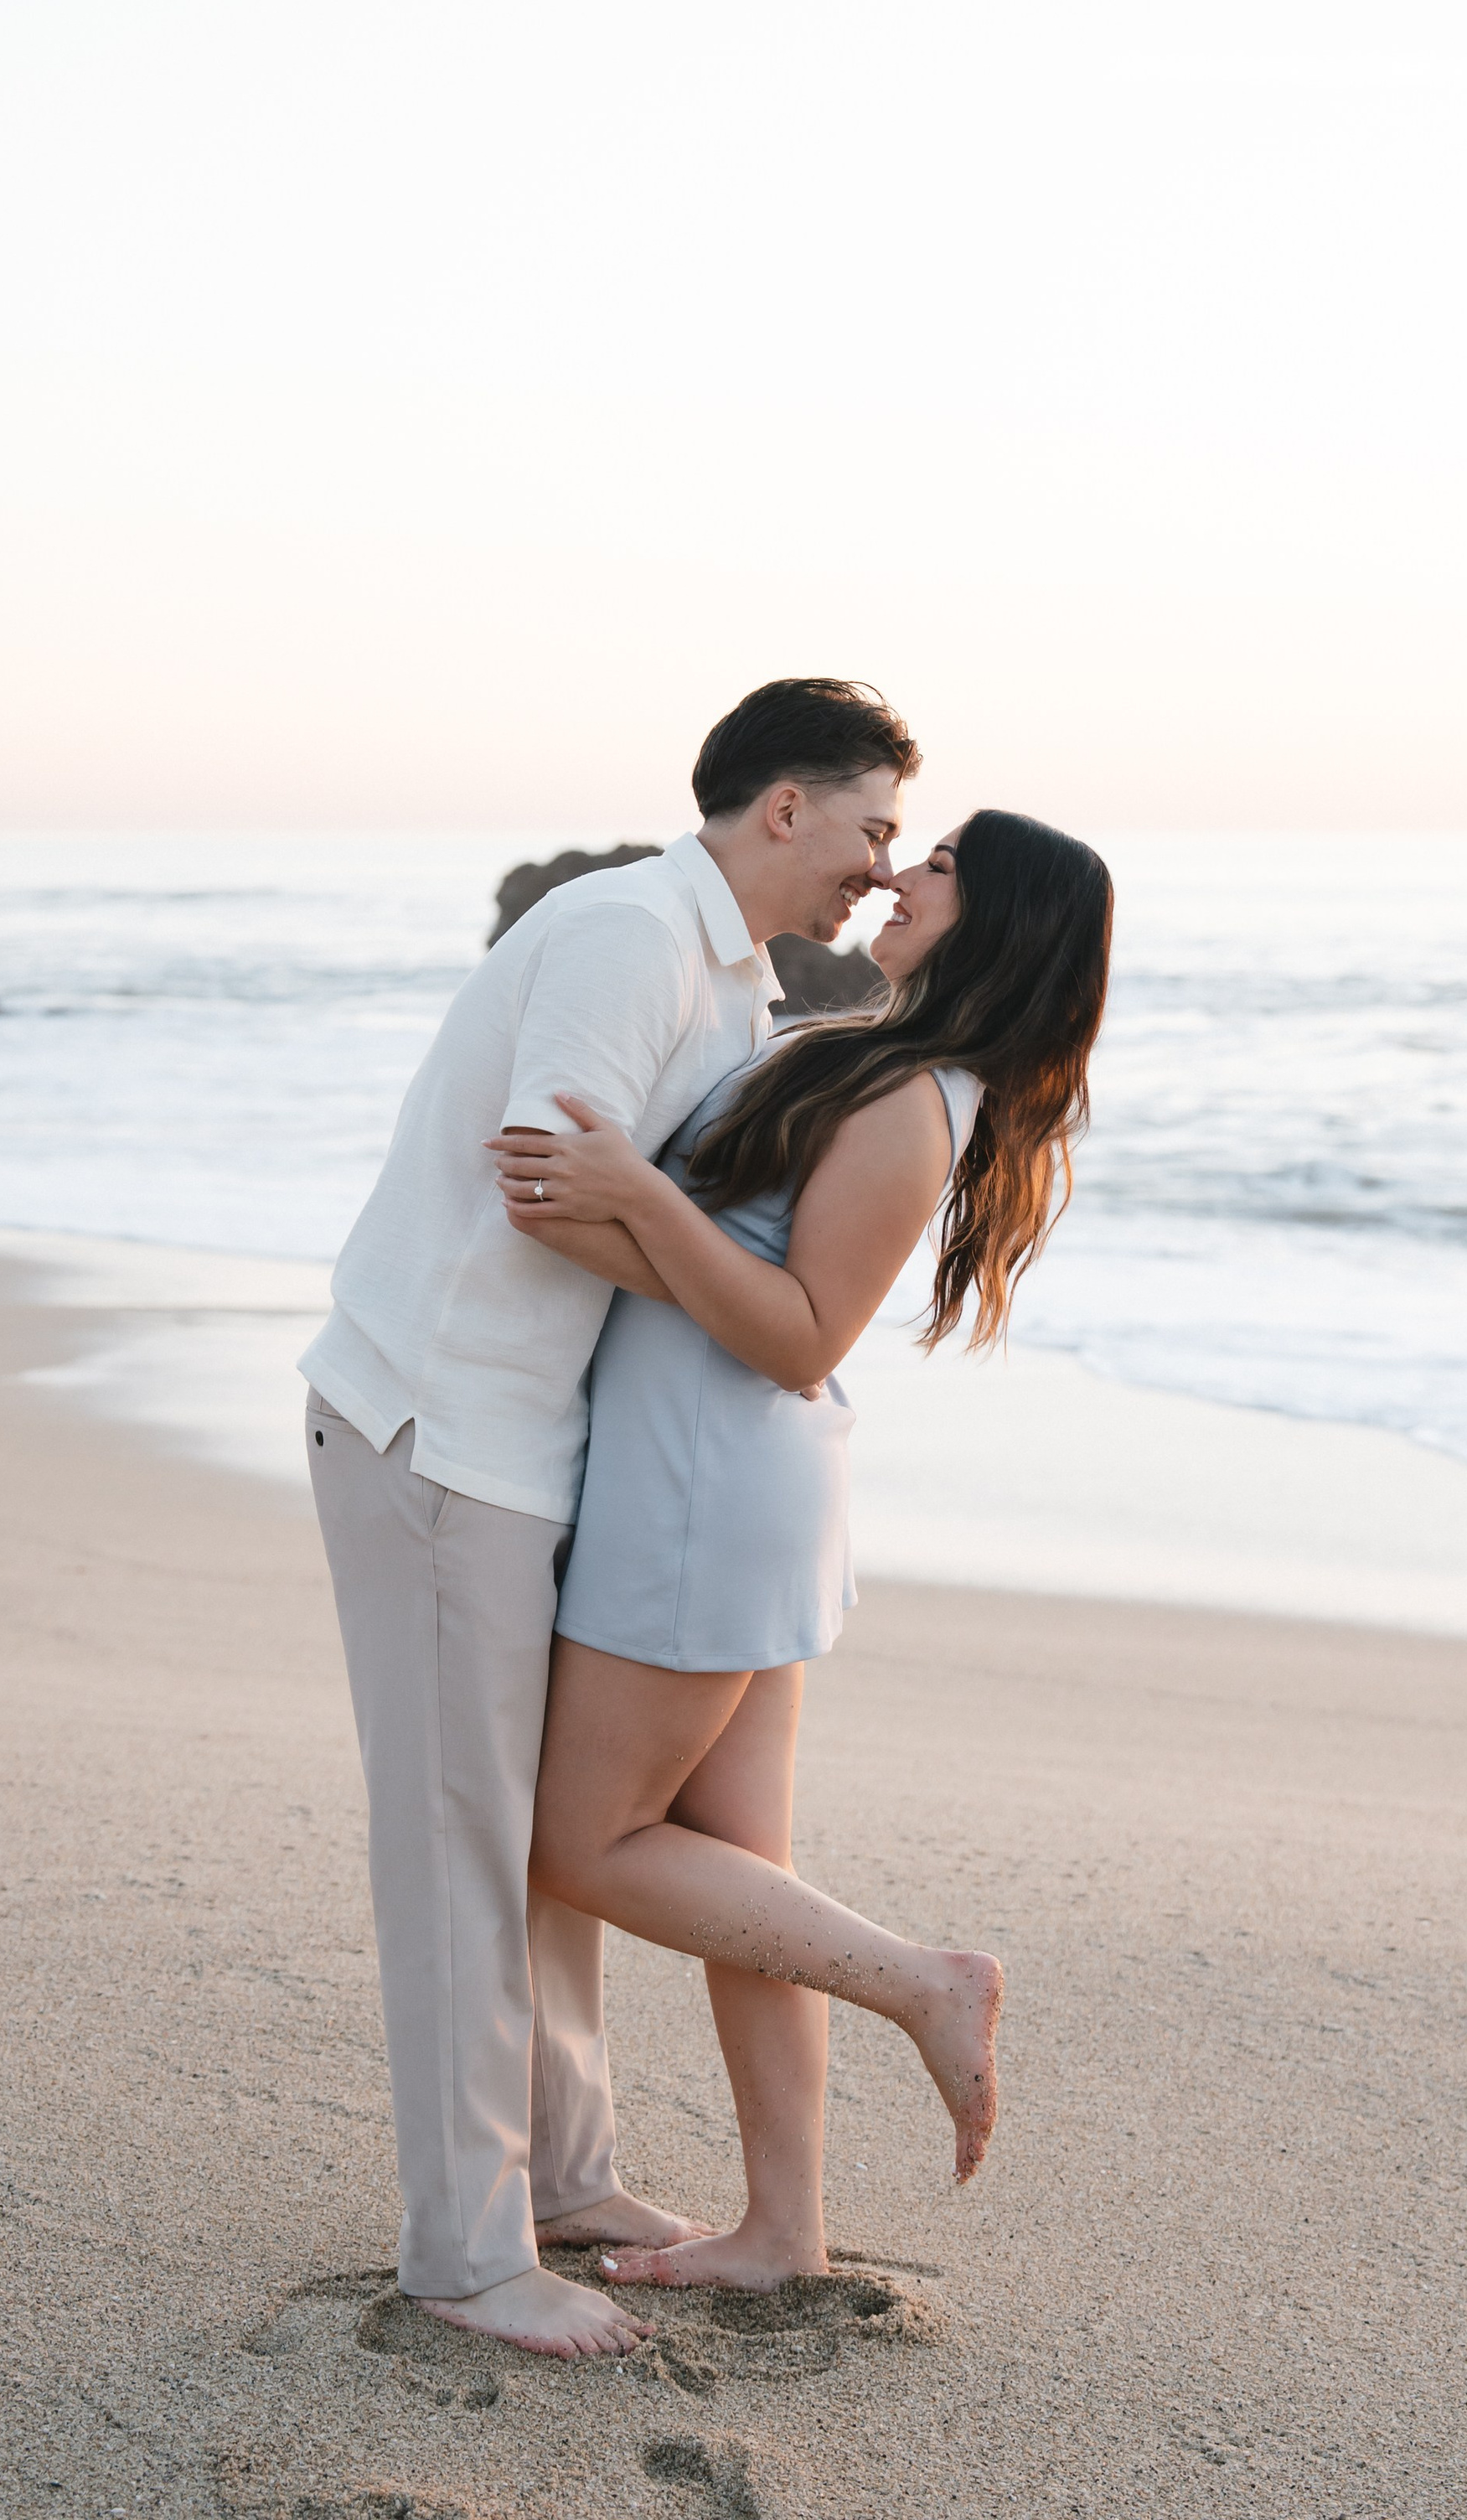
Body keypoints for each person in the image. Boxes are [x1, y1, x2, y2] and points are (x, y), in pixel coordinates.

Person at [297, 679, 921, 2357]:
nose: (879, 870)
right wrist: (739, 1309)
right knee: (459, 1855)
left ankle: (562, 2179)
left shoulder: (728, 978)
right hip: (439, 1426)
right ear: (780, 807)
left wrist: (707, 1285)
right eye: (868, 830)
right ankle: (464, 2254)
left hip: (530, 1447)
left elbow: (623, 1209)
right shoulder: (631, 935)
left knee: (532, 1851)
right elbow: (541, 1180)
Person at [489, 808, 1114, 2291]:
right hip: (723, 1482)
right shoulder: (869, 1057)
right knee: (743, 1874)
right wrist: (632, 1220)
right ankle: (783, 2232)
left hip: (711, 1485)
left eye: (939, 865)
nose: (900, 876)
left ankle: (924, 1984)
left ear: (999, 921)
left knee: (577, 1844)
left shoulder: (910, 1103)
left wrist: (636, 1195)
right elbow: (728, 1279)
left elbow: (793, 1334)